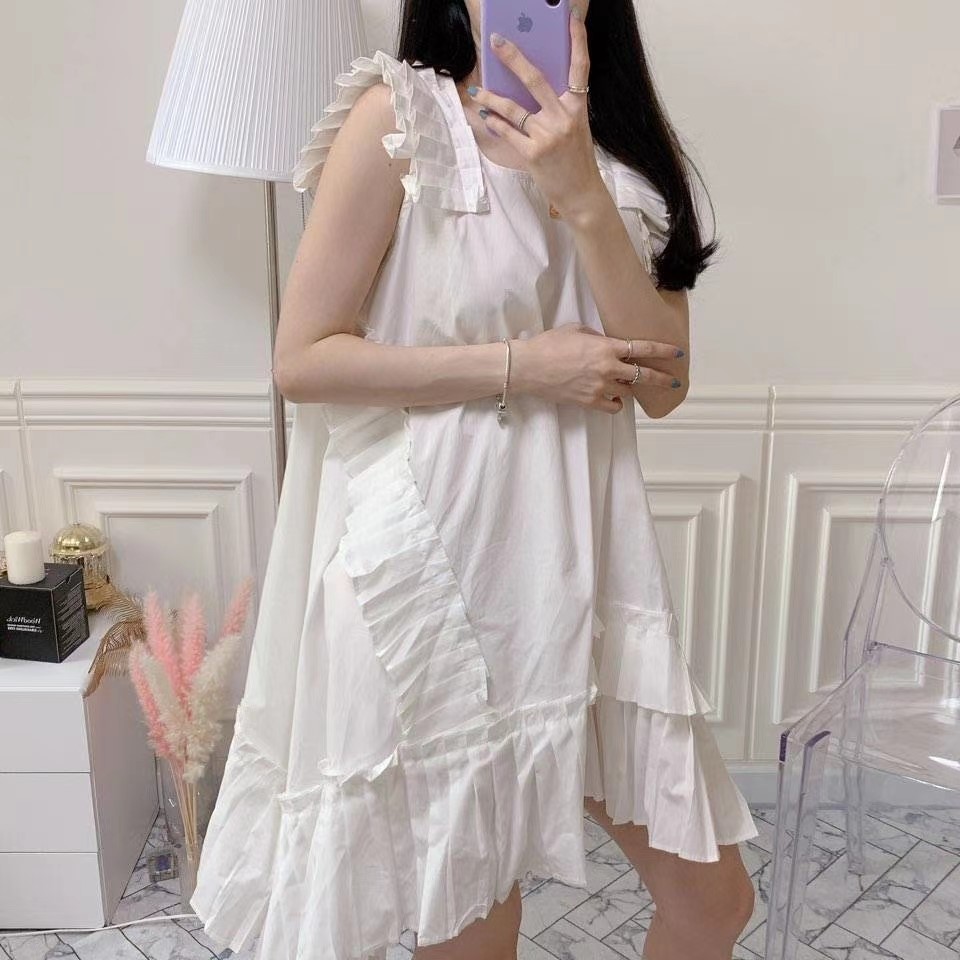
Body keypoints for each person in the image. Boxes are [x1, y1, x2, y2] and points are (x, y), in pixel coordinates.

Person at [188, 0, 759, 958]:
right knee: (475, 925)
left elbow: (663, 385)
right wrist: (522, 366)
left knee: (713, 902)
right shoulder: (399, 120)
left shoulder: (620, 157)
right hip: (435, 581)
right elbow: (303, 359)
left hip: (587, 577)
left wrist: (579, 191)